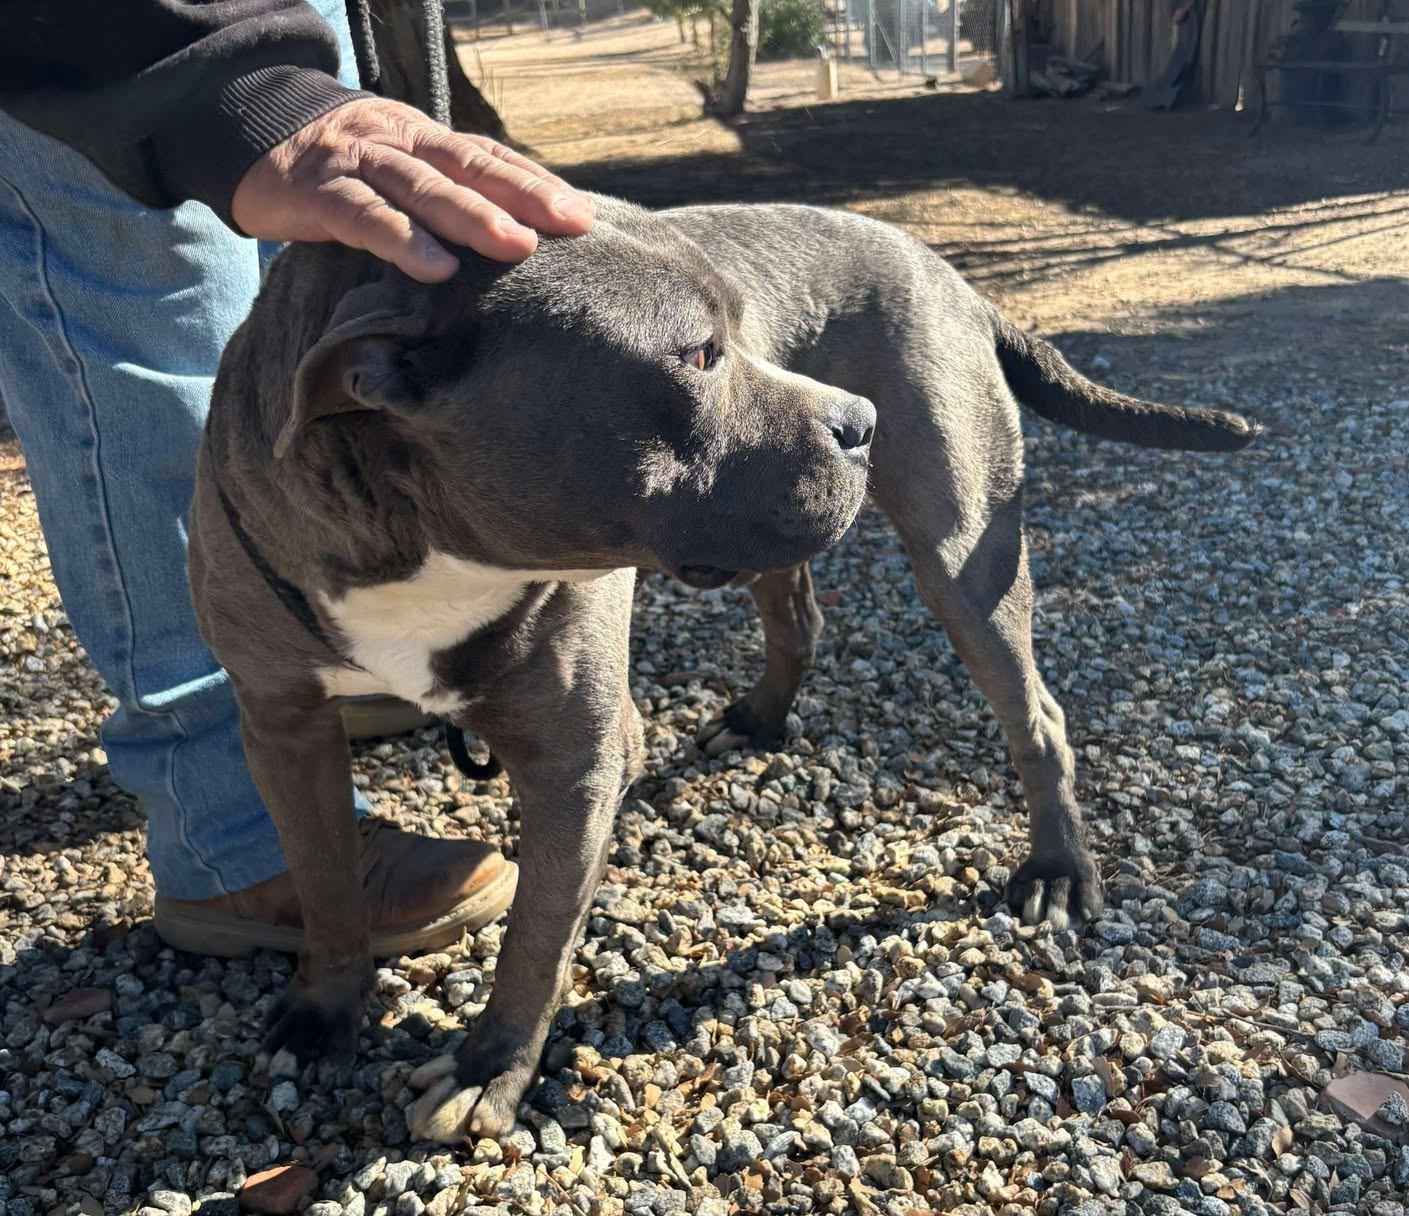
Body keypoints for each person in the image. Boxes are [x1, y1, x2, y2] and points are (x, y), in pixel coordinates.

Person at [0, 0, 594, 956]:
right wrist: (221, 80)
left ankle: (315, 656)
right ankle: (235, 839)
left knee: (311, 296)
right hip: (106, 33)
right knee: (157, 370)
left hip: (241, 17)